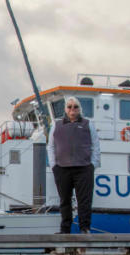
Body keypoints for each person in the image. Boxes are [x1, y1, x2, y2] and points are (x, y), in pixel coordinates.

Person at [47, 96, 100, 234]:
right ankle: (65, 230)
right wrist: (54, 165)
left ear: (79, 109)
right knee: (65, 200)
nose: (72, 109)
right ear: (65, 109)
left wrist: (92, 165)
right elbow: (51, 147)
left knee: (85, 200)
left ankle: (85, 228)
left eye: (75, 107)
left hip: (84, 168)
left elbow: (95, 146)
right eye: (69, 107)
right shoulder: (56, 125)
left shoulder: (88, 124)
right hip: (62, 168)